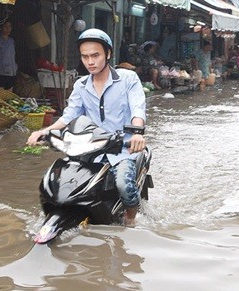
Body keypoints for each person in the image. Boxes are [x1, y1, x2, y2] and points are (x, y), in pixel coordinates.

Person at [26, 28, 146, 226]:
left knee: (124, 185)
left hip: (122, 147)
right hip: (90, 147)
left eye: (95, 55)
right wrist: (44, 132)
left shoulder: (127, 79)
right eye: (85, 57)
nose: (90, 62)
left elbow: (137, 109)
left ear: (108, 54)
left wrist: (137, 133)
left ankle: (130, 219)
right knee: (60, 181)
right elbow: (68, 117)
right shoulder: (81, 85)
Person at [0, 19, 18, 91]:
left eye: (10, 26)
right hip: (0, 73)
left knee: (9, 96)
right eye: (5, 27)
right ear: (1, 28)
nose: (8, 29)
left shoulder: (11, 41)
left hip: (11, 72)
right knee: (0, 95)